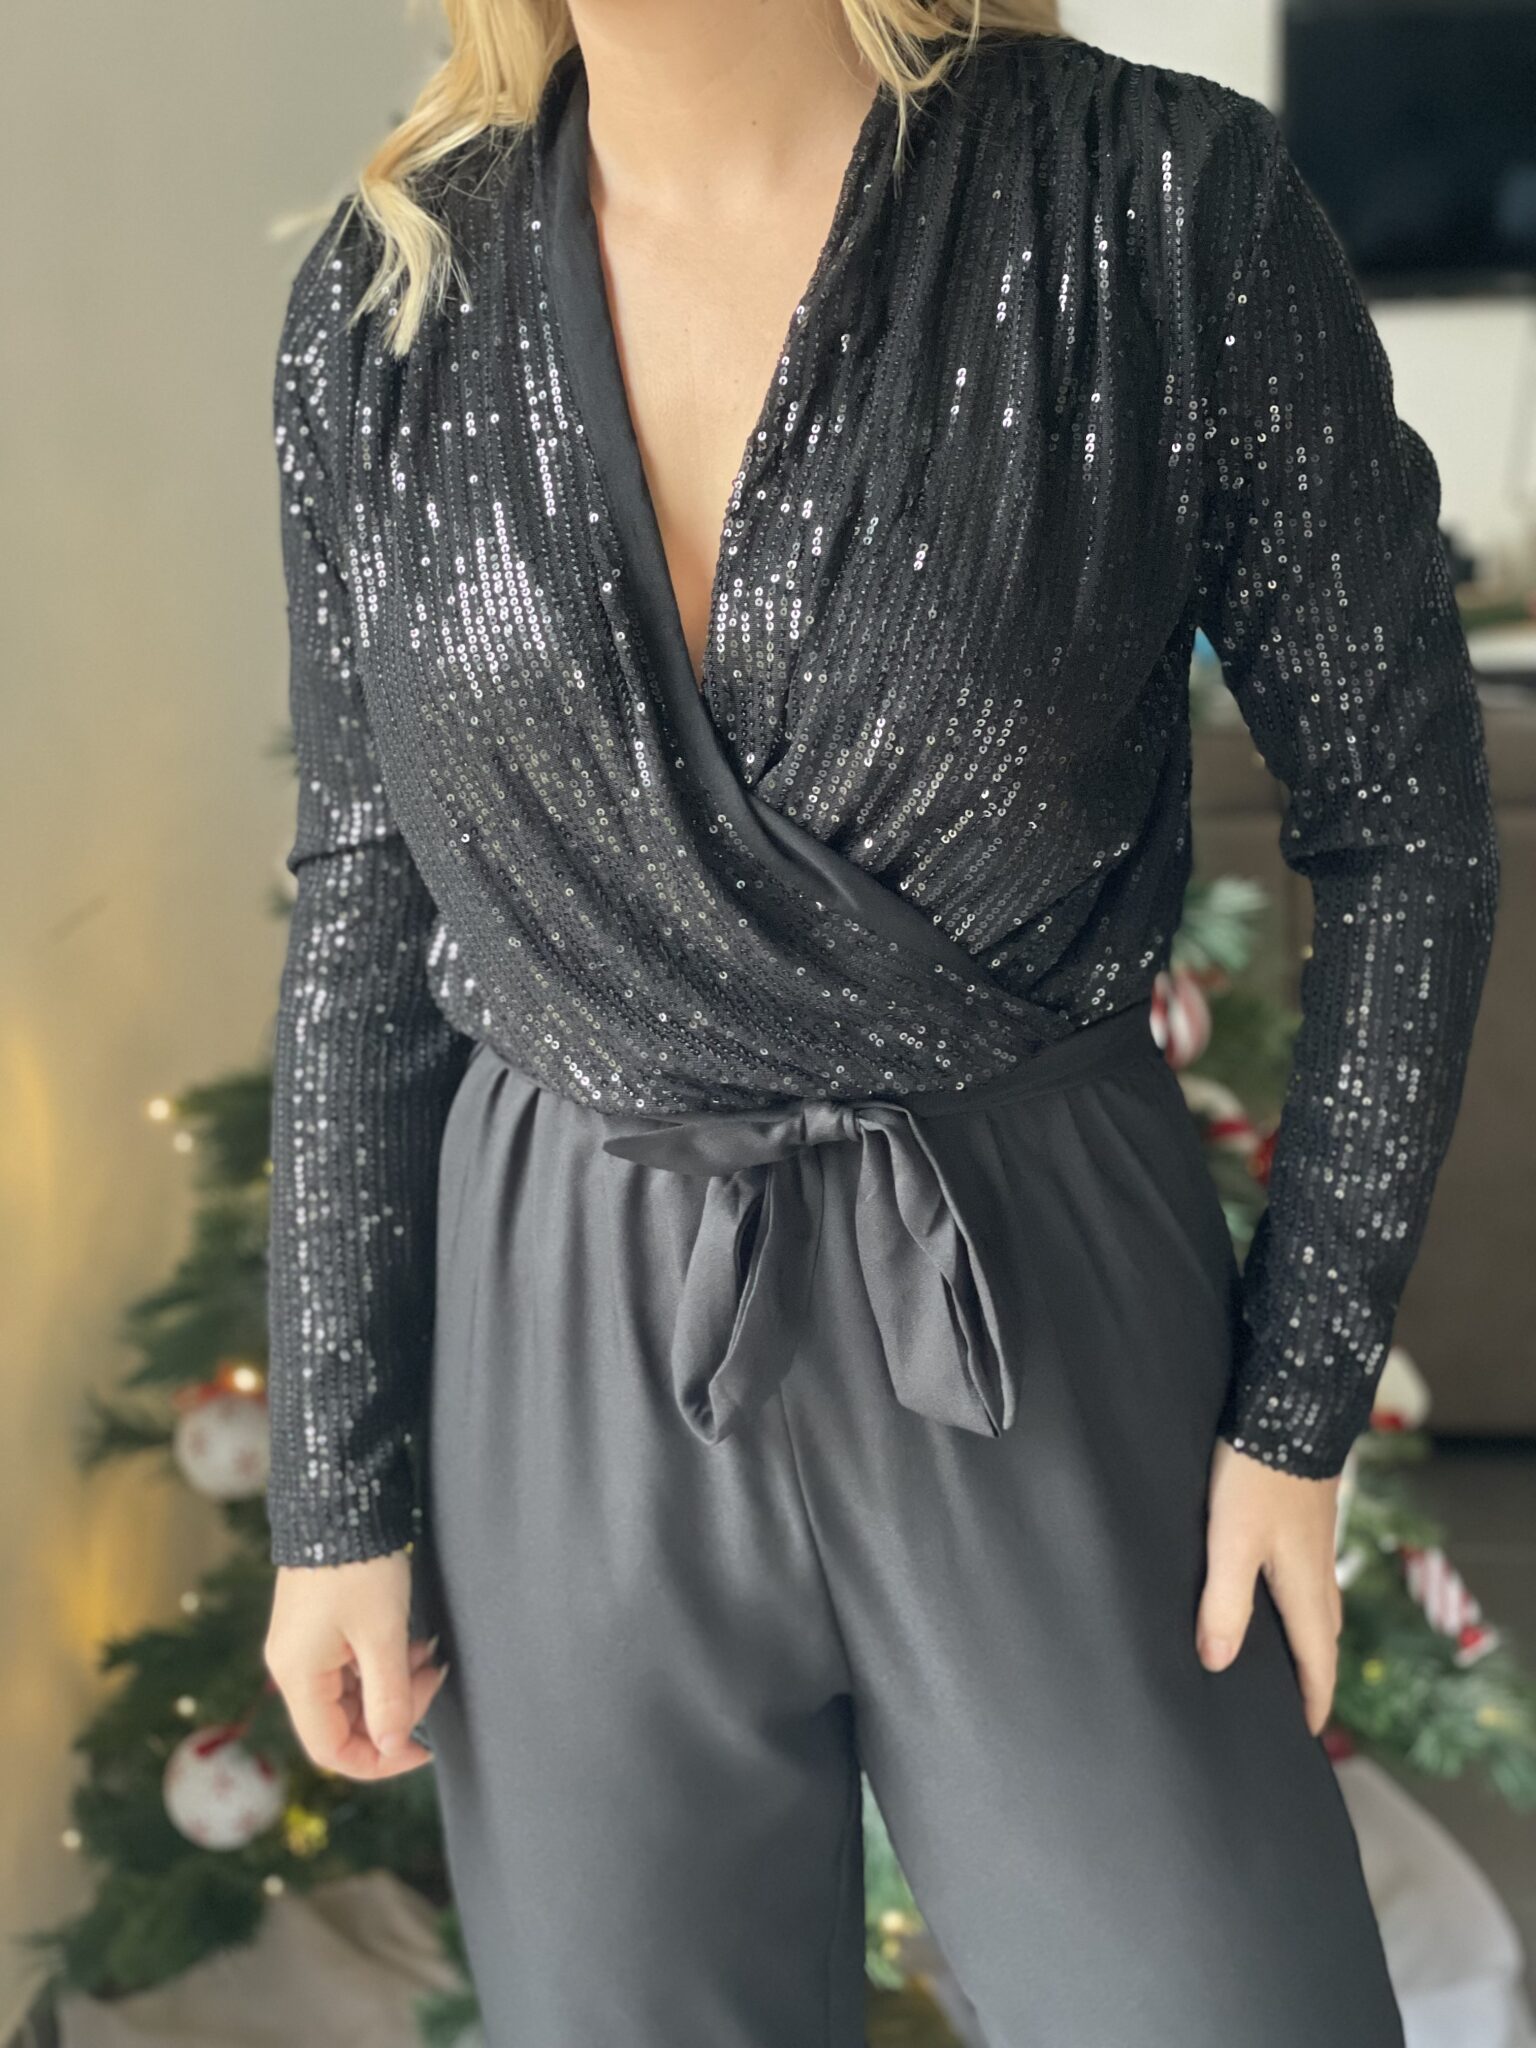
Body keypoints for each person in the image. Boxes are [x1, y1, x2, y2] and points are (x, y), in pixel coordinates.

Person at [259, 2, 1499, 2041]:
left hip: (1038, 1274)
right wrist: (335, 1491)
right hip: (562, 1313)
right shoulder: (386, 303)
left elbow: (1405, 822)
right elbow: (364, 897)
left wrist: (1300, 1407)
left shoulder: (1154, 204)